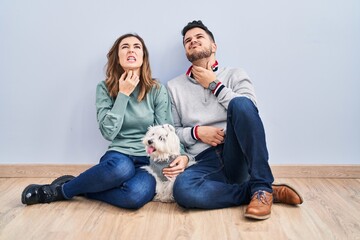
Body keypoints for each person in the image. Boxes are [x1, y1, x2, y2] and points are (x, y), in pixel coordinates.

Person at [21, 33, 189, 209]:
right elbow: (108, 132)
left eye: (136, 47)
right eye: (125, 47)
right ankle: (58, 191)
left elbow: (167, 129)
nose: (131, 50)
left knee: (135, 196)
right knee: (121, 170)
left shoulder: (156, 89)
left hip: (148, 160)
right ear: (117, 57)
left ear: (143, 57)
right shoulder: (104, 88)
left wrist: (183, 155)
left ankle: (83, 186)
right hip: (119, 155)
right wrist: (123, 94)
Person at [164, 20, 303, 220]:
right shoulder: (173, 86)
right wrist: (196, 132)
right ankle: (256, 192)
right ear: (186, 51)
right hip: (203, 160)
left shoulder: (235, 74)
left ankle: (262, 187)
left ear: (214, 46)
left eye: (199, 37)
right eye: (188, 41)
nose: (193, 41)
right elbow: (174, 131)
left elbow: (249, 111)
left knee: (241, 103)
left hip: (236, 153)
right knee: (183, 191)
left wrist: (214, 85)